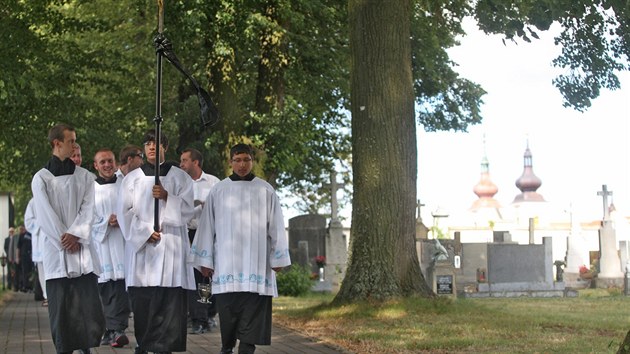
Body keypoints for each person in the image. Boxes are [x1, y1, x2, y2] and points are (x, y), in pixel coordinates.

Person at [189, 143, 291, 354]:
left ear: (252, 161)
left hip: (257, 263)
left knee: (253, 312)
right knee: (228, 311)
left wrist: (278, 258)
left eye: (246, 160)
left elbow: (277, 226)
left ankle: (247, 348)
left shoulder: (265, 189)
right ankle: (227, 346)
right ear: (230, 162)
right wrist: (205, 262)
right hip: (227, 263)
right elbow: (207, 226)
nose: (242, 164)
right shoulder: (219, 190)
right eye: (237, 160)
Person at [117, 129, 195, 354]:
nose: (152, 146)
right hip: (143, 251)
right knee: (144, 304)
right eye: (148, 143)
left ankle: (165, 349)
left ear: (165, 147)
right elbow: (124, 212)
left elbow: (189, 211)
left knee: (170, 304)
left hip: (170, 248)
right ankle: (144, 344)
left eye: (157, 142)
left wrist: (168, 197)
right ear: (143, 148)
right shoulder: (133, 178)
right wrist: (144, 233)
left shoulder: (180, 177)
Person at [31, 123, 105, 354]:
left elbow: (89, 209)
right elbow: (44, 214)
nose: (75, 145)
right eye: (71, 141)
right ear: (57, 143)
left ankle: (86, 348)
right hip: (57, 254)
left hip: (81, 253)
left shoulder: (85, 177)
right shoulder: (41, 178)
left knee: (87, 310)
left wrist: (76, 235)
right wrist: (65, 239)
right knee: (61, 312)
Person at [92, 148, 131, 348]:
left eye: (110, 161)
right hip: (102, 245)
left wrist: (122, 219)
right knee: (105, 288)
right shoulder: (90, 189)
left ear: (115, 163)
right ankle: (108, 330)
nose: (107, 165)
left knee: (121, 288)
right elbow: (86, 216)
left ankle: (118, 329)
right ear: (95, 165)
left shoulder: (125, 184)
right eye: (102, 162)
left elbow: (134, 207)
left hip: (122, 243)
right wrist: (106, 222)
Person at [179, 148, 220, 334]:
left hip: (206, 234)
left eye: (185, 160)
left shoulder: (213, 183)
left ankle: (207, 314)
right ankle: (197, 318)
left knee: (205, 276)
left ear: (196, 162)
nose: (181, 164)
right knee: (190, 277)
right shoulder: (180, 182)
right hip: (187, 233)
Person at [25, 198, 48, 306]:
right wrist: (42, 221)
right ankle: (47, 296)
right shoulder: (33, 202)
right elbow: (28, 222)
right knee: (42, 271)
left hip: (53, 239)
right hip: (40, 240)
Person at [16, 225, 33, 292]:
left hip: (31, 256)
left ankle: (30, 286)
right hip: (23, 256)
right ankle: (25, 286)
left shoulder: (31, 234)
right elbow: (18, 247)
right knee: (24, 271)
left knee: (31, 272)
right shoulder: (21, 236)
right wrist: (17, 257)